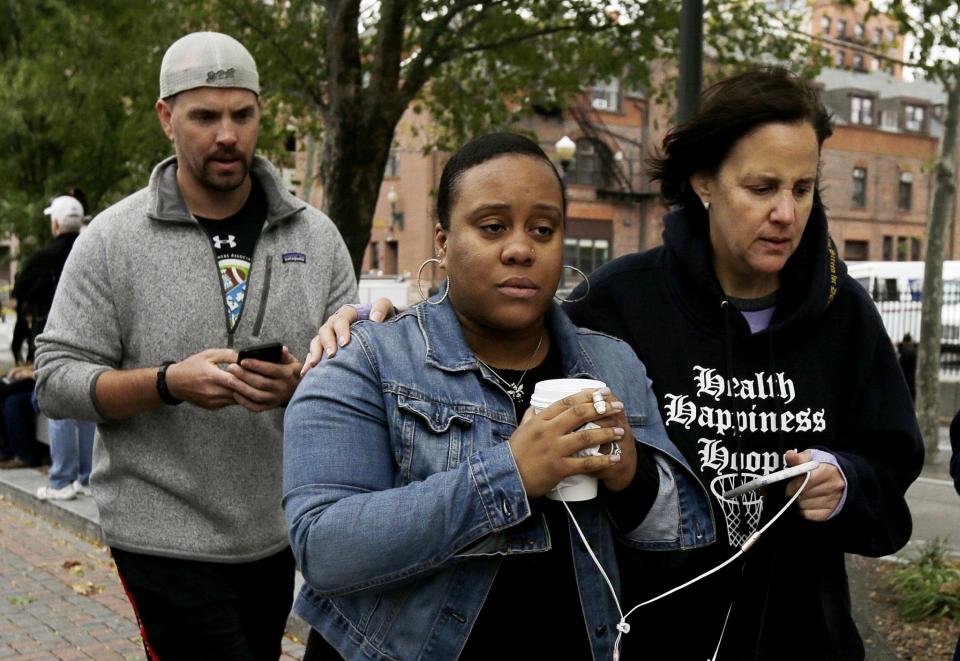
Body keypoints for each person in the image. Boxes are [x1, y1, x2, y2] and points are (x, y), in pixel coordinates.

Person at [314, 70, 925, 660]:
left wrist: (846, 485)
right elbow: (504, 332)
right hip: (650, 634)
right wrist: (395, 319)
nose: (787, 214)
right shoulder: (621, 302)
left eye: (802, 188)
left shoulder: (845, 313)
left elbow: (890, 478)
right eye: (762, 188)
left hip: (802, 637)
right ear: (704, 182)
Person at [283, 133, 713, 661]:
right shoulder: (363, 359)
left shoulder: (613, 363)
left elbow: (678, 534)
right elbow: (324, 549)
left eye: (543, 229)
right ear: (441, 241)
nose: (520, 248)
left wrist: (632, 475)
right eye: (492, 227)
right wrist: (510, 475)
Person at [35, 31, 356, 659]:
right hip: (159, 532)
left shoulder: (315, 237)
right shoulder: (110, 239)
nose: (227, 134)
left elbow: (361, 371)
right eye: (205, 116)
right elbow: (54, 380)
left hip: (276, 530)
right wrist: (167, 383)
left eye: (242, 114)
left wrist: (302, 385)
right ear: (166, 118)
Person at [897, 333, 918, 401]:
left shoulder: (903, 350)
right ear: (910, 340)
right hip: (911, 378)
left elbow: (900, 363)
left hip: (903, 377)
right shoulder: (913, 350)